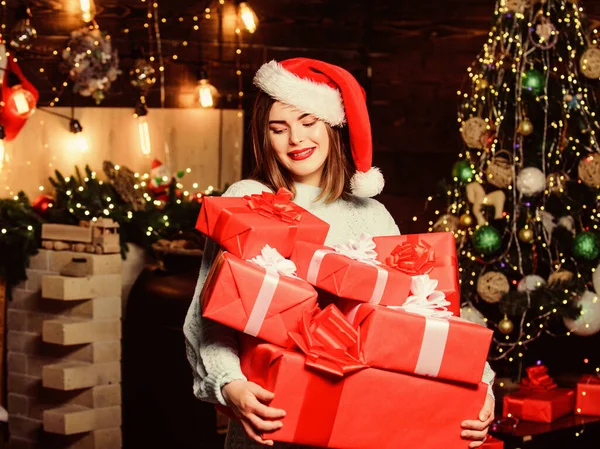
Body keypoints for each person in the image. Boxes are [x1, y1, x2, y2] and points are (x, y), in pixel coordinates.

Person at [184, 58, 495, 449]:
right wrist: (231, 386)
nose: (295, 139)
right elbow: (207, 316)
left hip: (358, 425)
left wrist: (481, 387)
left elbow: (428, 317)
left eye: (308, 122)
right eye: (278, 129)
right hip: (272, 424)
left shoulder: (373, 216)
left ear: (333, 124)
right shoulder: (247, 201)